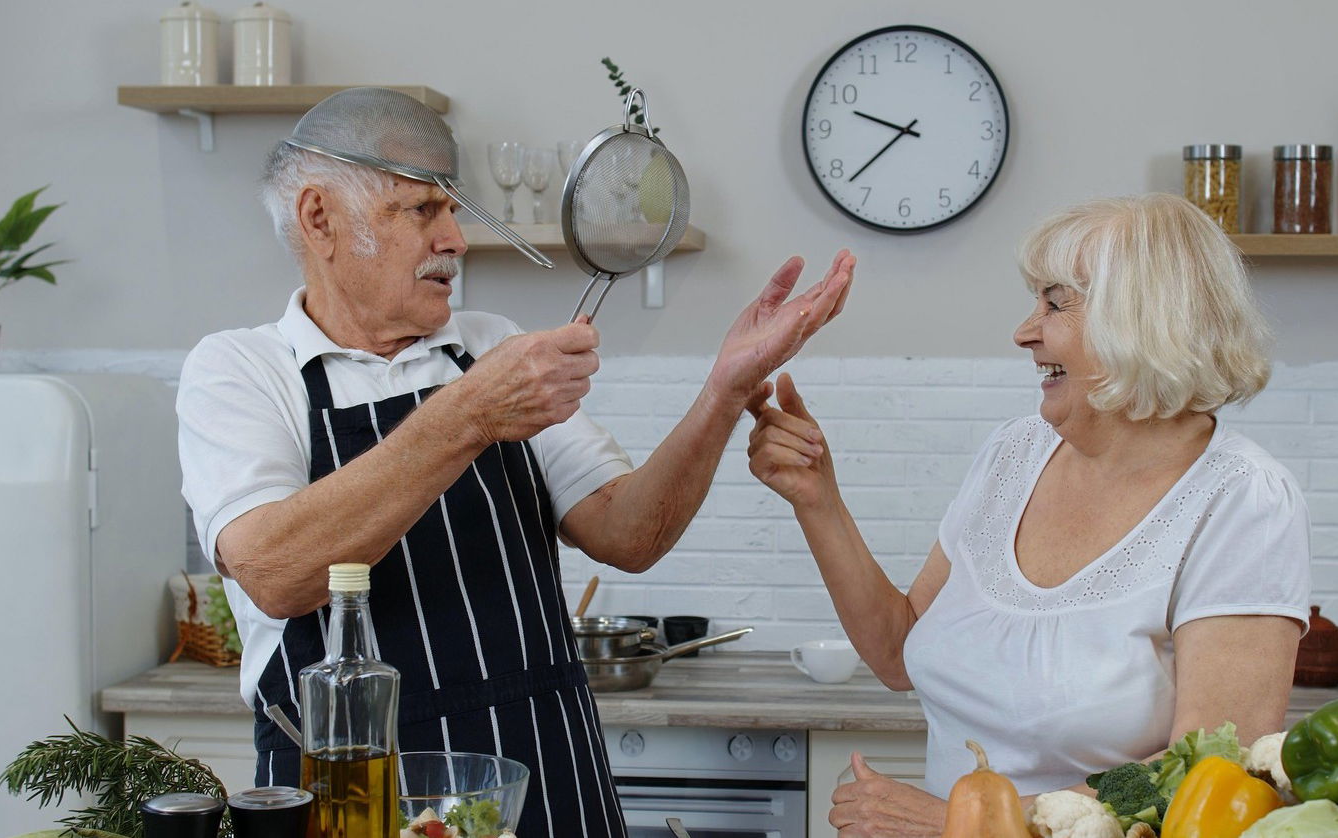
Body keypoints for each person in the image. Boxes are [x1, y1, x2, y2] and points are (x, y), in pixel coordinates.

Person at [177, 88, 853, 838]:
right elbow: (276, 572)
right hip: (355, 796)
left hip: (548, 776)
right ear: (319, 219)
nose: (456, 239)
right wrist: (469, 415)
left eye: (453, 209)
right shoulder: (240, 371)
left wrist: (723, 391)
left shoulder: (491, 344)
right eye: (423, 210)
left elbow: (630, 534)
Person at [746, 193, 1309, 836]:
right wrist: (818, 499)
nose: (1024, 331)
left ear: (1144, 321)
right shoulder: (1016, 453)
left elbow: (1214, 772)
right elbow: (900, 653)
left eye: (1055, 302)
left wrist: (969, 825)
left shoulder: (1242, 499)